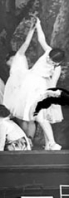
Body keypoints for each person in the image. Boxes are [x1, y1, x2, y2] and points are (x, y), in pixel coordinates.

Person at [17, 18, 65, 150]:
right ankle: (50, 143)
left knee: (39, 115)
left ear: (57, 62)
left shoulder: (56, 68)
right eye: (49, 57)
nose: (48, 59)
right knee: (38, 116)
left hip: (41, 88)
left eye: (51, 60)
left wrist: (48, 97)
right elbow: (41, 39)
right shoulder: (48, 52)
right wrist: (38, 25)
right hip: (30, 83)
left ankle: (52, 143)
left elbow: (53, 83)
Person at [4, 18, 37, 133]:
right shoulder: (13, 69)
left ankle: (30, 139)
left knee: (30, 117)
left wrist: (32, 29)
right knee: (23, 117)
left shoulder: (19, 56)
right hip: (18, 91)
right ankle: (27, 140)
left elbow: (26, 43)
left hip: (26, 89)